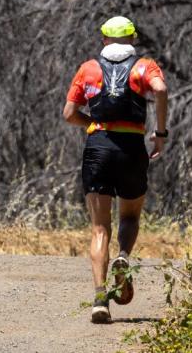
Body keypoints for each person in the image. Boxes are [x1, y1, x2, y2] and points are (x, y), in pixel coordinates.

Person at [62, 16, 169, 324]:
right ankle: (123, 256)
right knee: (130, 216)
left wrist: (92, 125)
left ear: (104, 40)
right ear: (133, 39)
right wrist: (160, 132)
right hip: (132, 148)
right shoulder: (144, 67)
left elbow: (69, 113)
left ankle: (99, 298)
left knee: (99, 228)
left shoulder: (89, 69)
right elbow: (160, 90)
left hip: (98, 148)